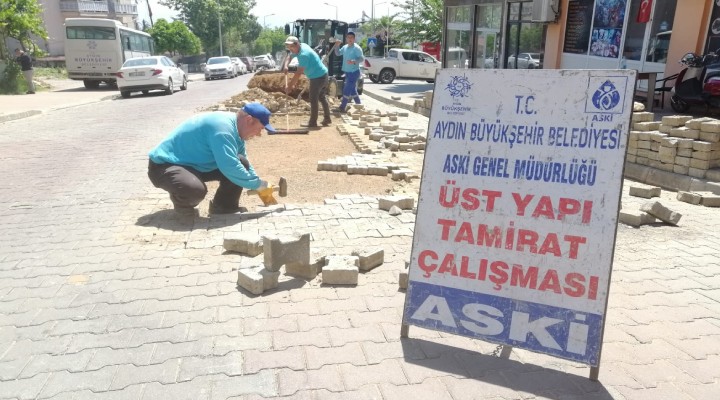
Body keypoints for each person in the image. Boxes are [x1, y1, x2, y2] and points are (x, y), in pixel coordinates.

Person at [147, 103, 276, 216]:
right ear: (249, 120)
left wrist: (259, 184)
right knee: (195, 190)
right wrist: (258, 185)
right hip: (165, 166)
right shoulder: (223, 129)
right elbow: (229, 166)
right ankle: (182, 206)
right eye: (260, 129)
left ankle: (224, 208)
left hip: (194, 165)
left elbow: (241, 163)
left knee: (241, 162)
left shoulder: (237, 131)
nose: (259, 134)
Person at [282, 36, 331, 128]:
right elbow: (289, 56)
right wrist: (285, 66)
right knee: (321, 97)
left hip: (318, 77)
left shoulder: (304, 54)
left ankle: (312, 123)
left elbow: (298, 73)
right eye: (288, 47)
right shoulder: (302, 46)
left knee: (313, 99)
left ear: (296, 44)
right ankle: (327, 118)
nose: (290, 49)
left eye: (291, 46)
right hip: (323, 74)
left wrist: (289, 87)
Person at [332, 31, 364, 112]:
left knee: (346, 90)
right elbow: (338, 53)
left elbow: (362, 58)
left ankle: (342, 107)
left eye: (351, 38)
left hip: (354, 72)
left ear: (354, 39)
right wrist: (337, 46)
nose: (350, 39)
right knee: (353, 91)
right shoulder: (345, 47)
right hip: (347, 72)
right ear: (346, 39)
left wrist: (353, 61)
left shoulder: (357, 48)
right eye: (348, 37)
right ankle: (359, 105)